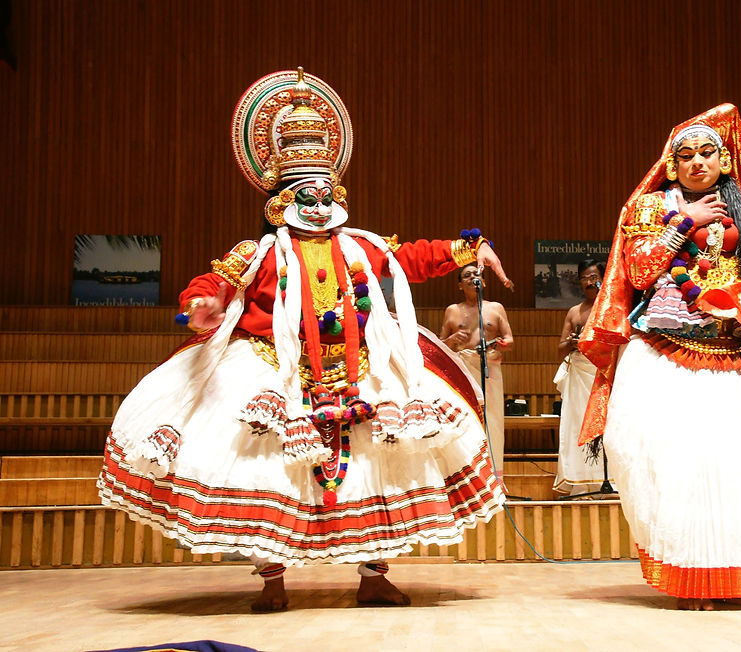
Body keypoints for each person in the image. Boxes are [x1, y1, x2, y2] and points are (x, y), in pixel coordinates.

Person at [97, 68, 514, 611]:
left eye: (323, 196)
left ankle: (374, 577)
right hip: (276, 373)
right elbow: (213, 285)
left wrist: (467, 249)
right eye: (304, 198)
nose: (317, 208)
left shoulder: (361, 247)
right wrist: (201, 306)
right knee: (268, 474)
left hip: (360, 370)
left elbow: (410, 258)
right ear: (279, 204)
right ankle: (272, 580)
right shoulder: (260, 253)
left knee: (377, 474)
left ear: (337, 196)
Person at [578, 104, 741, 610]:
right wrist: (685, 223)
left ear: (724, 159)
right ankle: (692, 579)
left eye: (707, 152)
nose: (697, 162)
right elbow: (639, 272)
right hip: (666, 357)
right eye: (685, 155)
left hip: (739, 355)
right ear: (672, 165)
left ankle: (739, 576)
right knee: (676, 467)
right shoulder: (651, 207)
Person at [439, 263, 514, 484]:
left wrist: (498, 345)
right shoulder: (452, 310)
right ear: (460, 285)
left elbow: (510, 340)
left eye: (477, 274)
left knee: (493, 421)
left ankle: (494, 478)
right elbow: (439, 347)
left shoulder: (496, 308)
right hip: (462, 369)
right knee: (465, 420)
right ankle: (468, 479)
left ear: (484, 282)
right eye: (467, 275)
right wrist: (452, 340)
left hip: (489, 368)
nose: (473, 277)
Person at [553, 258, 610, 496]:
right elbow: (560, 348)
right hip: (579, 373)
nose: (589, 282)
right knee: (577, 426)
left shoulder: (611, 307)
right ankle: (579, 482)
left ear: (602, 279)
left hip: (602, 372)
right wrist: (573, 342)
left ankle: (608, 481)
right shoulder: (574, 312)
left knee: (605, 426)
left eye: (593, 277)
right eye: (584, 278)